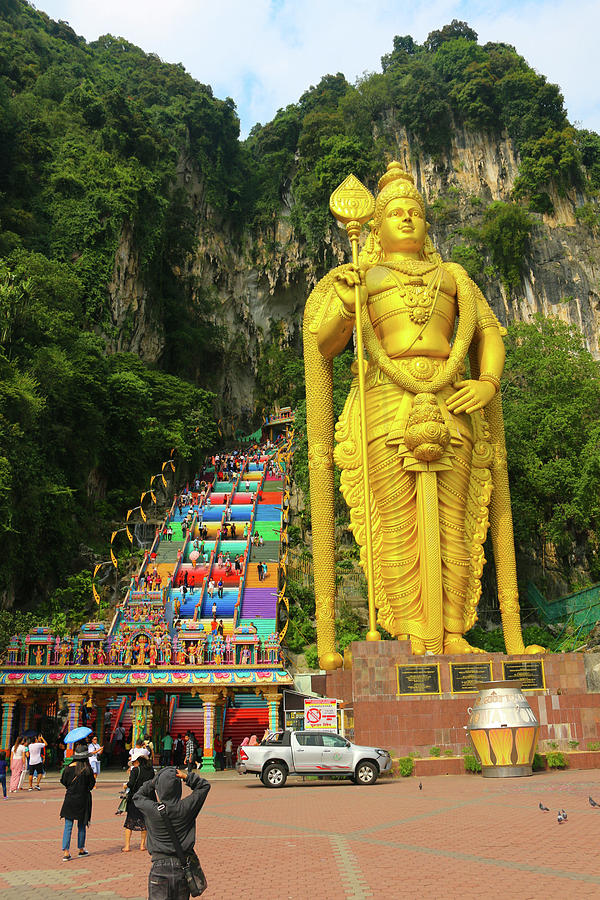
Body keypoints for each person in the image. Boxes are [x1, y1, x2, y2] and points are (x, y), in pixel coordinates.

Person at [304, 160, 544, 661]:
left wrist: (487, 382)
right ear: (376, 227)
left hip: (452, 395)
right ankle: (412, 631)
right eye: (396, 212)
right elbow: (322, 344)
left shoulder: (453, 276)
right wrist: (348, 305)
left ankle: (453, 631)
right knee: (393, 520)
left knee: (456, 521)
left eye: (415, 211)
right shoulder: (362, 276)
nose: (408, 218)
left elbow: (489, 332)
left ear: (428, 224)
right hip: (385, 400)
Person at [134, 767, 210, 900]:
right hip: (182, 866)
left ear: (159, 788)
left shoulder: (152, 810)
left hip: (159, 866)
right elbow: (204, 786)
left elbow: (137, 796)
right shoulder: (186, 807)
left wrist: (152, 782)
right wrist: (187, 777)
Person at [60, 744, 96, 861]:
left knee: (68, 826)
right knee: (81, 825)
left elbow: (63, 782)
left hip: (70, 799)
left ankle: (66, 852)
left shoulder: (68, 768)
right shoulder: (87, 769)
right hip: (83, 799)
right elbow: (91, 785)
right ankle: (81, 849)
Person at [122, 749, 155, 852]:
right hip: (147, 798)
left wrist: (125, 785)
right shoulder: (151, 770)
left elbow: (131, 784)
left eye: (134, 762)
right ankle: (142, 845)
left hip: (135, 799)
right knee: (144, 822)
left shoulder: (135, 770)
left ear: (138, 761)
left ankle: (127, 846)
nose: (134, 764)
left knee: (130, 822)